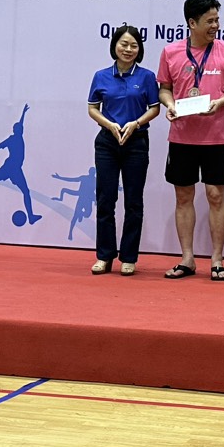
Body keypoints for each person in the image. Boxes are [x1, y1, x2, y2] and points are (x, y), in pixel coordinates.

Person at [156, 0, 224, 280]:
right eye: (210, 21)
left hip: (215, 136)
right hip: (182, 135)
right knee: (183, 196)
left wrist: (220, 102)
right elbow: (164, 88)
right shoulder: (170, 52)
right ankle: (187, 258)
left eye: (217, 20)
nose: (216, 25)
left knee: (215, 195)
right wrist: (170, 105)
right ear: (192, 23)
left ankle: (217, 259)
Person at [86, 25, 160, 276]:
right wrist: (109, 124)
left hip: (136, 142)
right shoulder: (101, 76)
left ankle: (129, 257)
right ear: (114, 46)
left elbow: (154, 108)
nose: (128, 49)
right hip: (107, 142)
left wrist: (135, 123)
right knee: (105, 200)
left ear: (139, 49)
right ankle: (104, 256)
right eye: (124, 44)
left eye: (134, 45)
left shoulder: (147, 77)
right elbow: (93, 108)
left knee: (134, 202)